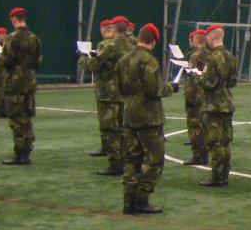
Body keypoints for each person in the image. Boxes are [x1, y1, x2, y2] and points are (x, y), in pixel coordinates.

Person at [117, 22, 176, 213]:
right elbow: (154, 89)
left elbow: (120, 88)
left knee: (132, 159)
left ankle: (128, 201)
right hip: (148, 116)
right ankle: (141, 199)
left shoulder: (124, 59)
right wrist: (170, 88)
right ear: (153, 41)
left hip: (129, 113)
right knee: (154, 159)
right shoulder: (149, 61)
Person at [82, 15, 129, 175]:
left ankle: (115, 163)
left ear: (114, 28)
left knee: (111, 129)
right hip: (124, 92)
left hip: (108, 92)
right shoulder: (131, 45)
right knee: (123, 129)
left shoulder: (109, 46)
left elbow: (94, 65)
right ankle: (125, 159)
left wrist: (82, 58)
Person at [197, 24, 238, 187]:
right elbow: (233, 82)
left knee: (215, 142)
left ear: (211, 37)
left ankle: (217, 175)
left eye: (207, 37)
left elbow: (208, 83)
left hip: (213, 104)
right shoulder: (230, 56)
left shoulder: (212, 58)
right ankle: (224, 173)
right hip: (227, 102)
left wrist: (199, 77)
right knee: (225, 140)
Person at [1, 7, 42, 165]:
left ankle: (21, 153)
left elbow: (7, 60)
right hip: (29, 82)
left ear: (14, 19)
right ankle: (27, 147)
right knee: (27, 116)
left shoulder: (11, 38)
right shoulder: (34, 38)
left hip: (15, 83)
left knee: (17, 119)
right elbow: (37, 61)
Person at [78, 19, 114, 157]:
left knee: (107, 121)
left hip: (106, 89)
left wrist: (82, 58)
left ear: (103, 30)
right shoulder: (119, 44)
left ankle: (109, 149)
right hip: (117, 89)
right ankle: (110, 148)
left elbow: (95, 65)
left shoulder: (104, 45)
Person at [182, 28, 209, 165]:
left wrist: (189, 98)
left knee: (194, 126)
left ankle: (198, 155)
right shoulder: (209, 54)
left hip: (195, 95)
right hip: (205, 95)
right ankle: (205, 153)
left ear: (196, 41)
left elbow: (192, 77)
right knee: (203, 125)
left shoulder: (195, 56)